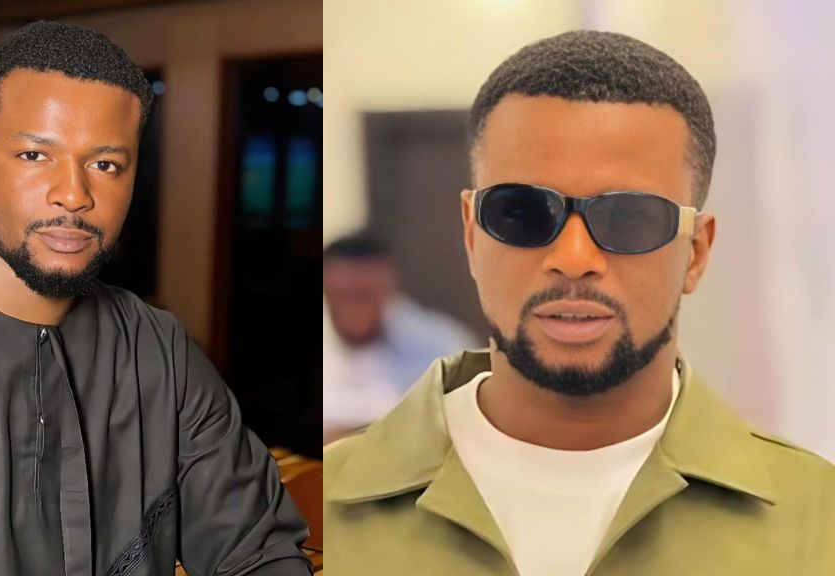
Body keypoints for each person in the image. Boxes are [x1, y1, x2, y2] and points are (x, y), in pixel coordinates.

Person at [324, 30, 835, 575]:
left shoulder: (816, 522)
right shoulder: (313, 509)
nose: (572, 257)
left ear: (696, 253)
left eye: (630, 216)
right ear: (473, 235)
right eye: (522, 211)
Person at [0, 21, 310, 575]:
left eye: (105, 164)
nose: (74, 194)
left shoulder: (161, 350)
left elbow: (257, 552)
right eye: (34, 155)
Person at [322, 233, 477, 444]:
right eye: (345, 296)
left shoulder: (441, 345)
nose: (355, 307)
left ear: (390, 285)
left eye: (364, 294)